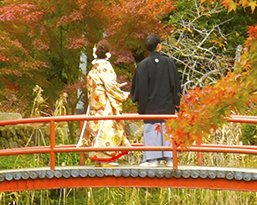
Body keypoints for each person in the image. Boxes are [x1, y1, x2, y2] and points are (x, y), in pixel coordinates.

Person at [131, 33, 182, 165]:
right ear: (159, 46)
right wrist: (178, 104)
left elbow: (139, 89)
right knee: (168, 134)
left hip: (150, 109)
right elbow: (176, 86)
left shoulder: (142, 66)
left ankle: (152, 159)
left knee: (151, 134)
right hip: (167, 109)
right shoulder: (170, 63)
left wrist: (141, 107)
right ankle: (170, 159)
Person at [78, 45, 131, 161]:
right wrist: (121, 94)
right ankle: (107, 158)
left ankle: (98, 158)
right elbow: (110, 86)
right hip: (105, 104)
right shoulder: (105, 67)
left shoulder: (93, 69)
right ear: (108, 53)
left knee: (97, 130)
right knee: (107, 130)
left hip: (94, 105)